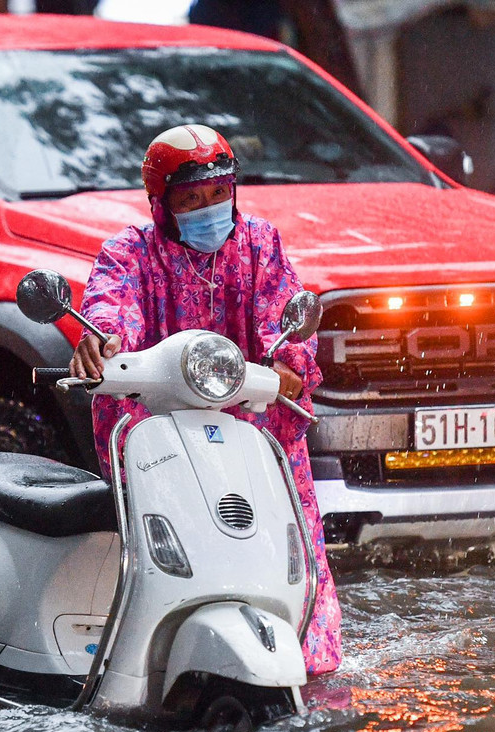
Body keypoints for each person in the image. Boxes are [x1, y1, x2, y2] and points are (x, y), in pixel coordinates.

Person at [69, 123, 342, 675]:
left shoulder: (260, 243)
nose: (209, 207)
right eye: (191, 199)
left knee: (300, 554)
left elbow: (284, 312)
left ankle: (311, 660)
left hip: (254, 428)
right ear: (161, 205)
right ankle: (136, 658)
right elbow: (109, 307)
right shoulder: (130, 252)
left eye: (219, 194)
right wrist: (100, 342)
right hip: (160, 437)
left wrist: (288, 364)